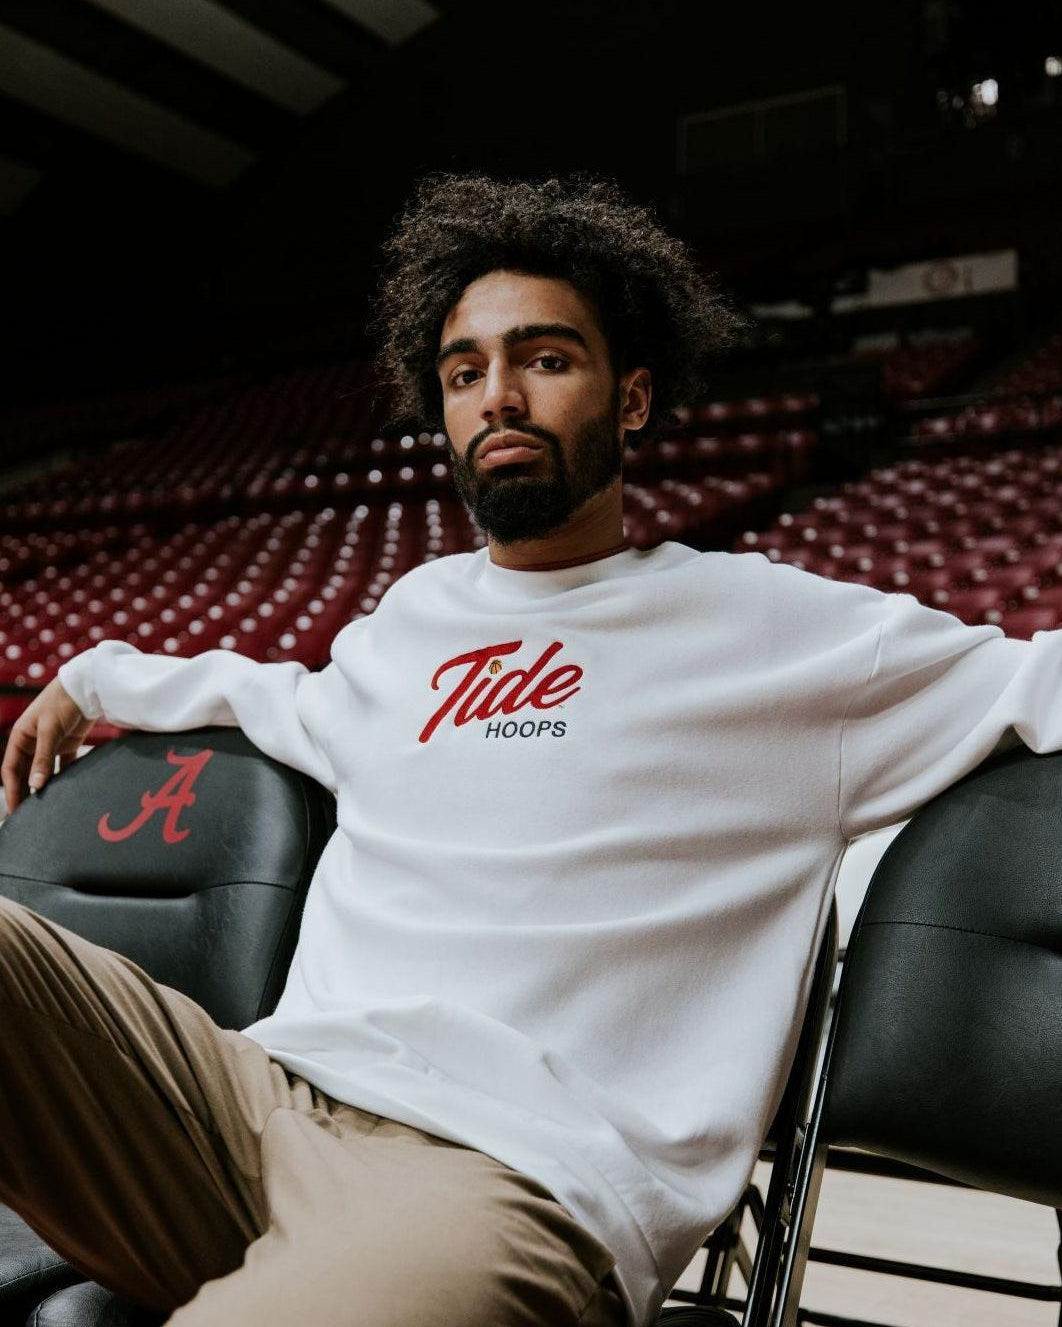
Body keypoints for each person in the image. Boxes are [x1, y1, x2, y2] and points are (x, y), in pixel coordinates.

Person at [2, 172, 1061, 1327]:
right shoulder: (406, 624)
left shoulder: (781, 633)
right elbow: (267, 694)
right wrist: (94, 675)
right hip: (256, 1102)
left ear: (634, 397)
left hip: (509, 1178)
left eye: (545, 359)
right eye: (465, 373)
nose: (498, 395)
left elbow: (1035, 682)